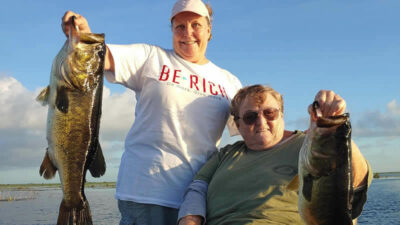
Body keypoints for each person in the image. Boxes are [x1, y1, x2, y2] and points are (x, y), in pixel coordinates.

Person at [61, 0, 242, 224]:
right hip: (146, 193)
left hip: (199, 198)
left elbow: (253, 132)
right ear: (172, 31)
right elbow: (100, 55)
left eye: (196, 25)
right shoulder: (151, 57)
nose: (188, 33)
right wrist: (83, 33)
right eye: (180, 27)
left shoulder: (229, 81)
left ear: (209, 30)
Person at [178, 85, 372, 225]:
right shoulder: (225, 155)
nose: (261, 122)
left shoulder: (312, 144)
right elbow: (197, 188)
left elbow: (358, 180)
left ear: (282, 115)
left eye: (269, 113)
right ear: (238, 124)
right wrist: (190, 219)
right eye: (250, 116)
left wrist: (335, 123)